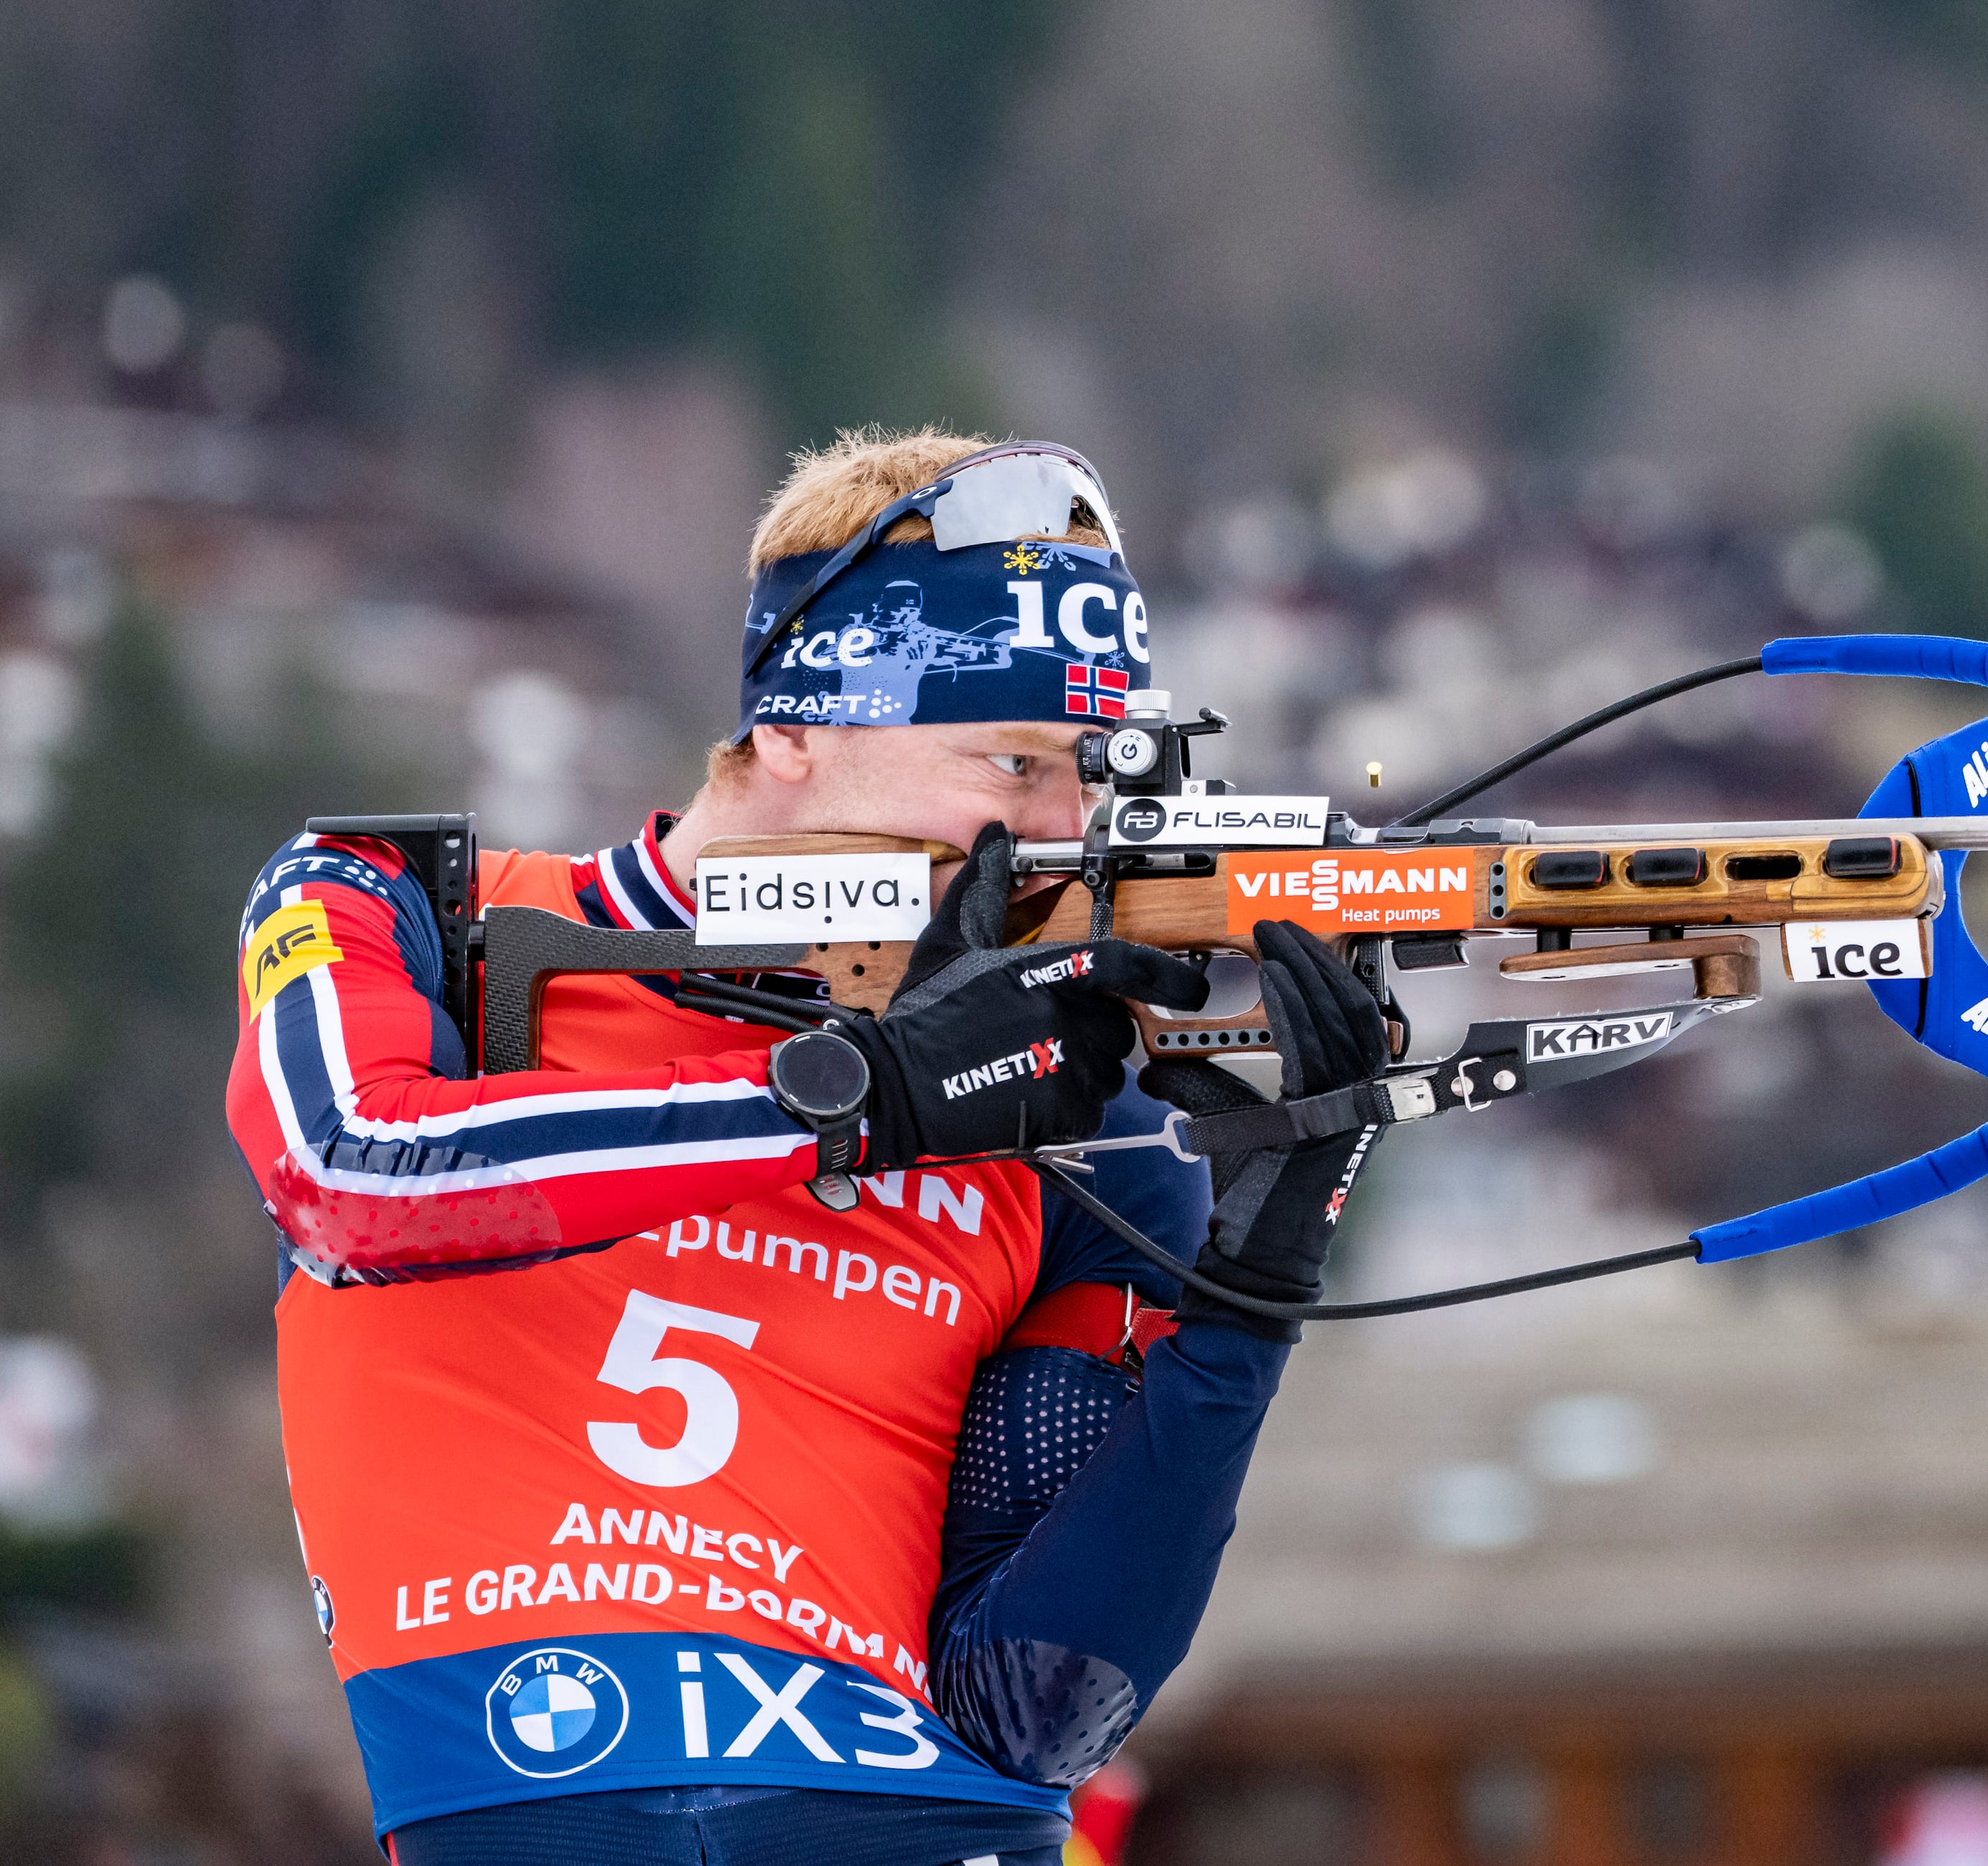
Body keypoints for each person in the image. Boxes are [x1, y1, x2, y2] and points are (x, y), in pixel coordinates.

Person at [225, 432, 1379, 1864]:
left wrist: (1250, 1305)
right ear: (793, 730)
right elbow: (347, 1173)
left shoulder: (1079, 1122)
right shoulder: (403, 906)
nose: (1059, 831)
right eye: (1012, 762)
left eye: (1090, 781)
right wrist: (858, 1094)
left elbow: (1032, 1709)